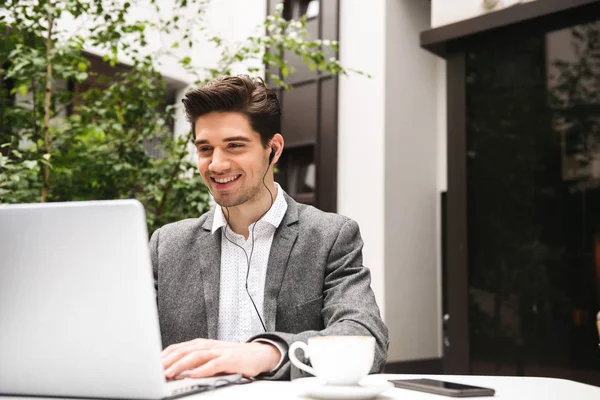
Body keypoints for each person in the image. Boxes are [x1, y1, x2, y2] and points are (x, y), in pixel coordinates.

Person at [149, 75, 388, 381]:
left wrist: (267, 353)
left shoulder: (330, 236)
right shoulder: (166, 244)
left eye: (235, 146)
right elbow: (125, 341)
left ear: (273, 149)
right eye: (205, 149)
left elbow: (365, 337)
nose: (216, 164)